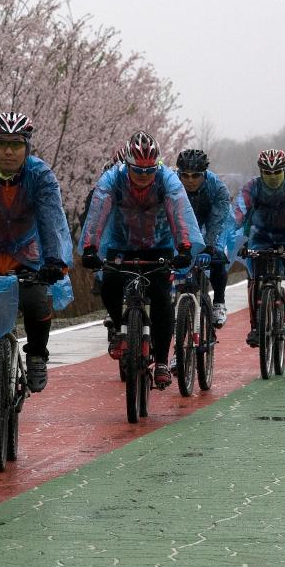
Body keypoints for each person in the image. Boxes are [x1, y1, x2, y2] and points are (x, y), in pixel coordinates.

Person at [0, 112, 71, 433]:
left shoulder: (40, 176)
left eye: (16, 145)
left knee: (37, 298)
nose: (9, 151)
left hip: (27, 254)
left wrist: (55, 261)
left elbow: (53, 219)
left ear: (27, 148)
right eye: (3, 144)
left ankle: (37, 354)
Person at [79, 132, 201, 390]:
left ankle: (163, 362)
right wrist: (90, 247)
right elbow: (99, 210)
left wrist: (184, 247)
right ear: (127, 166)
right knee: (110, 283)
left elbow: (179, 212)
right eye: (138, 171)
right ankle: (118, 329)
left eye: (149, 172)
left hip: (160, 245)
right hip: (121, 243)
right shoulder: (112, 179)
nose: (144, 177)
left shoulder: (167, 180)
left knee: (160, 296)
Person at [226, 148, 285, 348]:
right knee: (254, 282)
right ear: (261, 172)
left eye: (277, 172)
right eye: (268, 173)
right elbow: (236, 218)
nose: (273, 177)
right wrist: (235, 244)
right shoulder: (252, 188)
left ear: (284, 170)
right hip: (260, 237)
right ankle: (255, 327)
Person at [174, 148, 233, 328]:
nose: (190, 180)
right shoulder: (170, 184)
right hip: (182, 223)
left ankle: (219, 302)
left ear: (204, 174)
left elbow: (218, 222)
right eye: (185, 175)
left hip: (210, 221)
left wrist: (209, 247)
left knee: (217, 258)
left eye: (195, 176)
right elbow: (163, 220)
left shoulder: (217, 187)